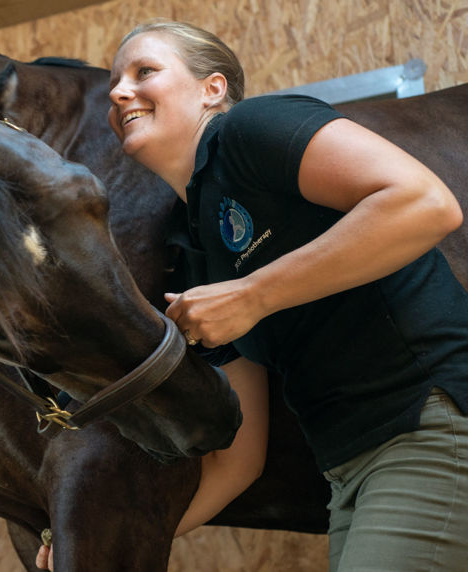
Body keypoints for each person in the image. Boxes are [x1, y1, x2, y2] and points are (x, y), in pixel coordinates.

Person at [38, 19, 468, 571]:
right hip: (348, 473)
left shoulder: (251, 128)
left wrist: (253, 294)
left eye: (144, 71)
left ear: (212, 89)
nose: (119, 91)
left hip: (431, 426)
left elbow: (425, 204)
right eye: (116, 82)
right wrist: (97, 547)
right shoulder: (192, 249)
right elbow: (239, 461)